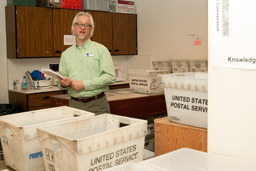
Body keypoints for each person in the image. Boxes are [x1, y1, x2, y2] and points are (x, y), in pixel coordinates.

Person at [57, 11, 116, 115]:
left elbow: (110, 76)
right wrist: (63, 83)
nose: (82, 27)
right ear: (73, 28)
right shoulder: (66, 54)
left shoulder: (101, 50)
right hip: (74, 105)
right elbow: (61, 81)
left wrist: (85, 85)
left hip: (97, 105)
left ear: (91, 29)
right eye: (79, 24)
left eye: (87, 25)